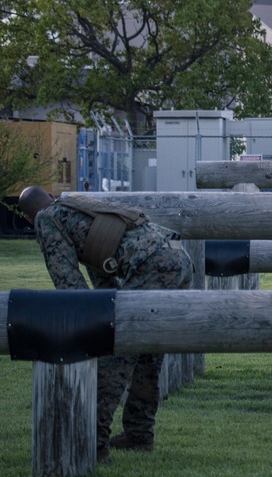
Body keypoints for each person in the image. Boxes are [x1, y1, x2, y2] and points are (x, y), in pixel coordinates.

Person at [18, 186, 193, 463]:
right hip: (178, 257)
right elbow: (105, 278)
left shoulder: (46, 219)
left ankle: (95, 442)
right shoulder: (79, 207)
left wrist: (89, 331)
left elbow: (68, 282)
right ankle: (139, 434)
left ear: (29, 218)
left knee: (118, 355)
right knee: (146, 353)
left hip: (152, 265)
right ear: (51, 196)